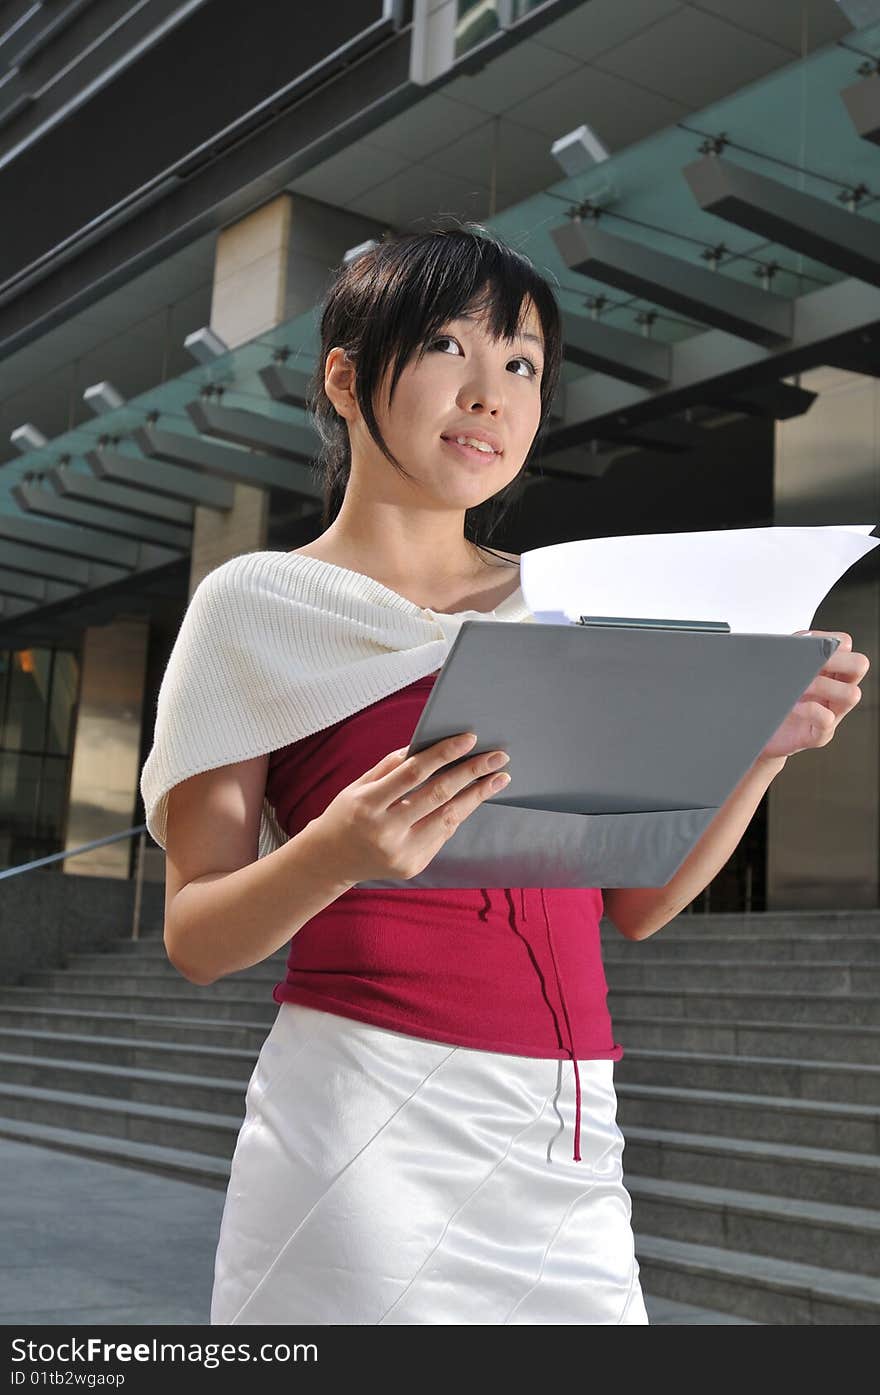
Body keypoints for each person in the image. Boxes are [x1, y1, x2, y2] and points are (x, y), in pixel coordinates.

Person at [149, 222, 869, 1326]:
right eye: (449, 347)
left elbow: (633, 904)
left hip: (573, 1118)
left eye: (522, 363)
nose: (491, 393)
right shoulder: (257, 603)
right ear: (346, 378)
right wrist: (333, 852)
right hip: (365, 1111)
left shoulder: (565, 603)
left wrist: (758, 754)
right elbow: (197, 936)